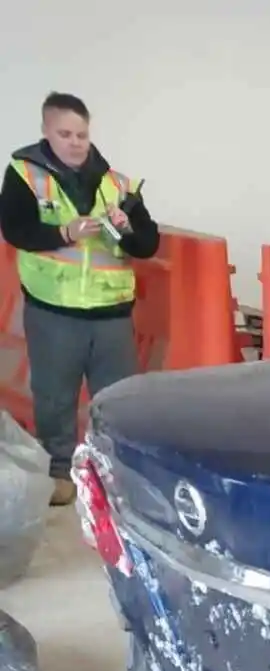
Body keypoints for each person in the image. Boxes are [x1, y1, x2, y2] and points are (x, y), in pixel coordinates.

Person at [1, 93, 158, 506]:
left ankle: (113, 473)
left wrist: (125, 227)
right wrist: (64, 234)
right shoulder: (25, 174)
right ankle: (59, 470)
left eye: (82, 134)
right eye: (65, 133)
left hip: (111, 314)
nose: (74, 142)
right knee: (55, 394)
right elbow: (15, 230)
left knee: (118, 397)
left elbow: (147, 244)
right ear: (46, 132)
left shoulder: (119, 185)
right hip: (54, 310)